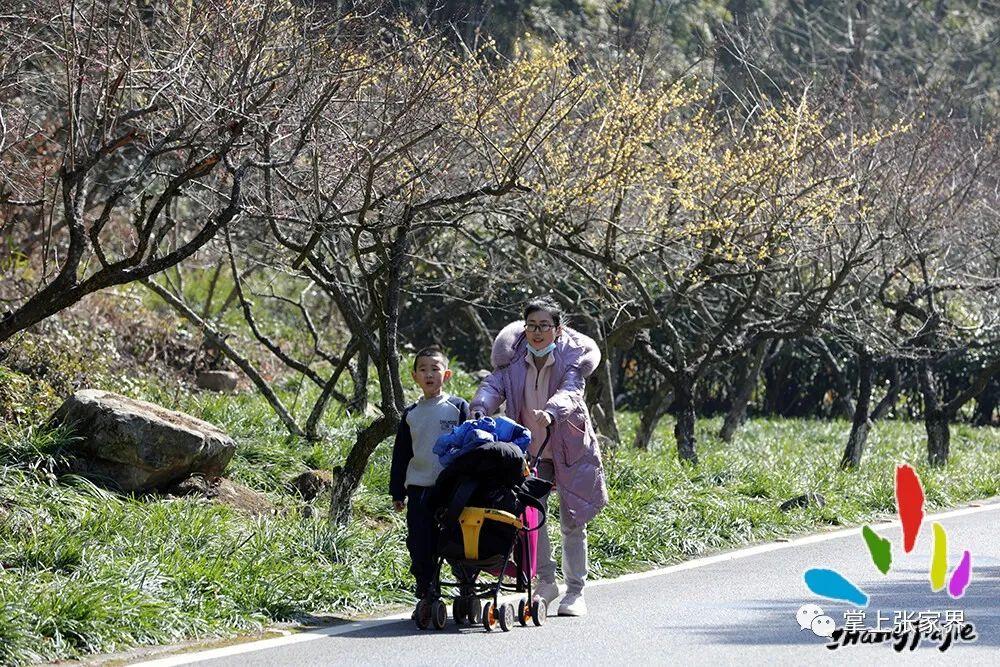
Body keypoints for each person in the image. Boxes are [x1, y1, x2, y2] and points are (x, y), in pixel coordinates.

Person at [469, 298, 608, 616]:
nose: (537, 332)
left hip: (569, 447)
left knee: (573, 522)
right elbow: (495, 384)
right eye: (532, 325)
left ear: (558, 330)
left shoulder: (572, 357)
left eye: (545, 326)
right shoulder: (514, 357)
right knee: (533, 516)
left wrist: (551, 411)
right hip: (532, 451)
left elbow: (572, 391)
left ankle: (575, 592)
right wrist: (480, 405)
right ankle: (547, 582)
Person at [389, 346, 469, 601]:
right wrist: (397, 492)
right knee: (420, 540)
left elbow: (471, 446)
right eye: (422, 369)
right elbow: (401, 454)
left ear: (446, 375)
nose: (428, 374)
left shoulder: (457, 407)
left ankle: (466, 582)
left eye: (434, 369)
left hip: (453, 489)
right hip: (420, 487)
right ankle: (426, 587)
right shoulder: (411, 414)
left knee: (457, 537)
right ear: (414, 377)